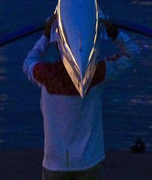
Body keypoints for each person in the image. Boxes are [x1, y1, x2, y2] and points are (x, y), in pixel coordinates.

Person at [23, 10, 138, 180]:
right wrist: (115, 34)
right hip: (89, 163)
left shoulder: (46, 75)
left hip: (55, 165)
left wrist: (45, 38)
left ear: (58, 44)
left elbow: (28, 63)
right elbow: (132, 53)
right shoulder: (96, 74)